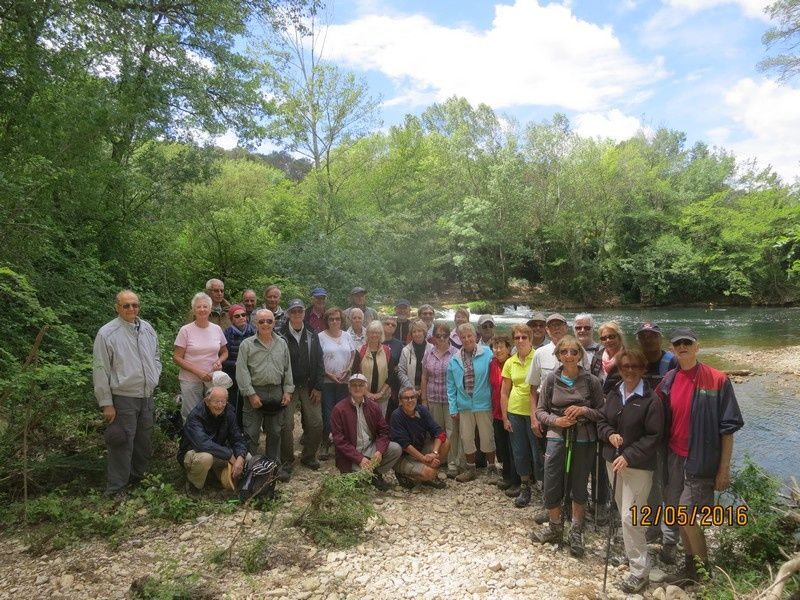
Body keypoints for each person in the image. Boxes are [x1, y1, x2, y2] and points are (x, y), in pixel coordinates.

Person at [658, 327, 744, 587]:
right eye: (677, 343)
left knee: (687, 515)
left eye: (688, 342)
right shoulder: (669, 379)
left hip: (701, 459)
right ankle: (689, 566)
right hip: (674, 457)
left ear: (697, 346)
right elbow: (655, 415)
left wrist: (724, 469)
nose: (682, 346)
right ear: (672, 349)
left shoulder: (717, 379)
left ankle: (703, 573)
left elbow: (727, 429)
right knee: (679, 515)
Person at [596, 348, 664, 593]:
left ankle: (639, 571)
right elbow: (602, 421)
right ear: (620, 369)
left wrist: (628, 455)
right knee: (624, 513)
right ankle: (633, 555)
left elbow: (653, 436)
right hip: (612, 462)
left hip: (638, 468)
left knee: (629, 517)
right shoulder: (615, 392)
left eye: (635, 367)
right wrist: (609, 434)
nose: (630, 371)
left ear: (643, 370)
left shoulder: (651, 400)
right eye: (625, 367)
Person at [532, 336, 604, 558]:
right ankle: (555, 527)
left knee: (579, 484)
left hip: (584, 438)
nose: (569, 356)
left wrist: (583, 411)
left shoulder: (591, 381)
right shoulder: (552, 379)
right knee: (552, 479)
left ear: (580, 354)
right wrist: (557, 421)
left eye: (574, 352)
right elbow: (541, 411)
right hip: (557, 436)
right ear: (558, 355)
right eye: (564, 352)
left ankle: (576, 530)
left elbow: (602, 412)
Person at [93, 290, 162, 497]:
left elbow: (156, 356)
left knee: (143, 441)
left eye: (135, 305)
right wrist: (106, 402)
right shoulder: (107, 333)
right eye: (126, 305)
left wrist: (155, 375)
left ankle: (137, 478)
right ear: (117, 307)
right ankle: (116, 489)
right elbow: (100, 368)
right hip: (123, 397)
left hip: (146, 396)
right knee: (121, 442)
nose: (132, 309)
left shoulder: (147, 329)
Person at [635, 320, 679, 550]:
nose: (648, 340)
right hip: (645, 433)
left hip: (670, 432)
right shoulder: (637, 362)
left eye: (652, 335)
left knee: (671, 484)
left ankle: (671, 535)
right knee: (651, 481)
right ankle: (652, 526)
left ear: (659, 338)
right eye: (643, 336)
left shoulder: (672, 361)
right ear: (639, 340)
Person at [236, 309, 294, 467]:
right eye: (261, 321)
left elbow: (288, 369)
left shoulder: (281, 343)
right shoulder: (246, 345)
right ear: (255, 323)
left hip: (276, 392)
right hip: (254, 392)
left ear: (274, 322)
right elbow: (242, 372)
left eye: (269, 321)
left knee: (275, 432)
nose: (265, 324)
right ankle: (248, 471)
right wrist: (251, 394)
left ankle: (272, 470)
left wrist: (288, 391)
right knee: (251, 433)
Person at [330, 374, 403, 490]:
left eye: (361, 385)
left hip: (370, 449)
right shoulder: (339, 409)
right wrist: (359, 459)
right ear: (349, 388)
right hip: (351, 454)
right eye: (354, 385)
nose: (357, 388)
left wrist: (379, 451)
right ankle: (364, 473)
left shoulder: (373, 407)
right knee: (355, 484)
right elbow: (339, 440)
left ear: (366, 388)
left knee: (395, 449)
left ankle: (375, 474)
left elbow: (384, 431)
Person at [446, 323, 499, 484]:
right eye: (463, 337)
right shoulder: (454, 359)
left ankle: (492, 468)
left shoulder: (488, 354)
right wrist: (453, 407)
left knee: (487, 437)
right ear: (460, 339)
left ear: (475, 336)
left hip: (484, 404)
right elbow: (451, 386)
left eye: (469, 336)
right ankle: (471, 469)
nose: (467, 339)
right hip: (464, 405)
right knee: (467, 437)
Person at [277, 299, 325, 473]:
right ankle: (286, 460)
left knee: (316, 423)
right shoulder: (280, 334)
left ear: (304, 313)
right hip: (287, 386)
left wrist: (318, 386)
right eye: (293, 311)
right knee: (285, 424)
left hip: (309, 384)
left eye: (300, 311)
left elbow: (320, 361)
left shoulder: (313, 333)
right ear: (288, 314)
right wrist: (282, 388)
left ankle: (309, 456)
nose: (297, 314)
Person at [179, 386, 248, 495]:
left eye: (223, 401)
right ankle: (193, 486)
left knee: (246, 457)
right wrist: (229, 455)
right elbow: (202, 444)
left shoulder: (229, 412)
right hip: (193, 453)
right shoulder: (195, 416)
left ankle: (230, 482)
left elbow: (238, 438)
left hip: (217, 452)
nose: (220, 405)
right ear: (207, 401)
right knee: (206, 458)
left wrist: (240, 457)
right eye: (216, 402)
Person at [501, 324, 542, 507]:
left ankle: (543, 487)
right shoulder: (510, 362)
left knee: (538, 452)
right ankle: (525, 486)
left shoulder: (538, 357)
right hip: (515, 411)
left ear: (530, 339)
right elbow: (504, 392)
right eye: (517, 338)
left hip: (535, 413)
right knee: (519, 452)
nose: (520, 341)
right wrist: (504, 417)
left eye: (524, 337)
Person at [173, 292, 229, 421]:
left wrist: (220, 361)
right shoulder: (185, 330)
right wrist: (198, 372)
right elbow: (177, 357)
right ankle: (191, 440)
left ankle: (211, 440)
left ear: (210, 309)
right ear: (194, 310)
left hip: (213, 378)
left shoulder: (217, 329)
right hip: (190, 379)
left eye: (205, 306)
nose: (202, 309)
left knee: (214, 412)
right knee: (191, 414)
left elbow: (225, 352)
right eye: (198, 307)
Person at [421, 322, 463, 478]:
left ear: (449, 337)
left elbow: (460, 378)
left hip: (450, 399)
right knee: (437, 432)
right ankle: (438, 459)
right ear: (434, 338)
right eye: (438, 336)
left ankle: (452, 462)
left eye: (445, 335)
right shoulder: (428, 353)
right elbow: (424, 377)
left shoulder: (456, 353)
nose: (441, 339)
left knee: (452, 431)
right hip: (433, 397)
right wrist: (424, 399)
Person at [390, 386, 450, 488]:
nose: (410, 400)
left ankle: (430, 474)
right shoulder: (396, 416)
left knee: (446, 443)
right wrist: (423, 459)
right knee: (428, 474)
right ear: (400, 401)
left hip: (420, 450)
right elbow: (405, 445)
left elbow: (439, 432)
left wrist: (434, 453)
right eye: (406, 398)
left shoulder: (422, 410)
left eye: (413, 397)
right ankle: (404, 475)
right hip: (404, 456)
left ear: (416, 398)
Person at [318, 307, 354, 460]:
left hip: (344, 381)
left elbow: (353, 354)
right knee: (327, 414)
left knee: (342, 414)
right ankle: (325, 442)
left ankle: (340, 444)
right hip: (327, 382)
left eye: (337, 319)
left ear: (341, 320)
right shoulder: (320, 337)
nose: (334, 321)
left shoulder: (347, 335)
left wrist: (349, 369)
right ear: (327, 320)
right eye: (331, 319)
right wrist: (329, 374)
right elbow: (317, 359)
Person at [489, 334, 521, 496]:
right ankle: (507, 476)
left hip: (512, 411)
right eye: (495, 347)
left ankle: (517, 481)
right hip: (496, 412)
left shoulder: (514, 363)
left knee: (513, 447)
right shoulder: (492, 363)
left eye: (501, 346)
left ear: (509, 348)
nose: (498, 350)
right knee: (502, 447)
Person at [222, 304, 256, 428]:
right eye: (237, 316)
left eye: (243, 315)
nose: (241, 317)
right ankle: (235, 430)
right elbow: (223, 358)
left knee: (249, 404)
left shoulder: (253, 331)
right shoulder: (227, 334)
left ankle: (248, 431)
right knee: (234, 404)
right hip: (233, 374)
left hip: (252, 373)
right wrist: (236, 364)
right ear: (232, 319)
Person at [354, 320, 394, 417]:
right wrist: (367, 393)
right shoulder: (360, 351)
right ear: (367, 334)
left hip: (383, 397)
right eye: (372, 332)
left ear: (381, 334)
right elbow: (355, 374)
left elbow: (392, 374)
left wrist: (380, 393)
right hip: (363, 396)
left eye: (377, 332)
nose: (374, 335)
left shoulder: (387, 351)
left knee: (380, 424)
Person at [636, 322, 677, 389]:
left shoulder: (673, 362)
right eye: (643, 337)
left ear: (661, 339)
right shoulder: (633, 363)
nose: (648, 340)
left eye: (653, 336)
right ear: (638, 341)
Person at [398, 320, 433, 394]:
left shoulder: (432, 349)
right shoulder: (405, 350)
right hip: (409, 391)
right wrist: (411, 388)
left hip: (429, 390)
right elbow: (401, 372)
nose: (417, 334)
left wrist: (424, 389)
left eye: (419, 331)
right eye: (414, 332)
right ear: (411, 334)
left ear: (424, 332)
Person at [598, 320, 626, 393]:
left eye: (611, 337)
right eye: (603, 338)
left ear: (619, 337)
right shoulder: (597, 357)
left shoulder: (627, 358)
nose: (608, 340)